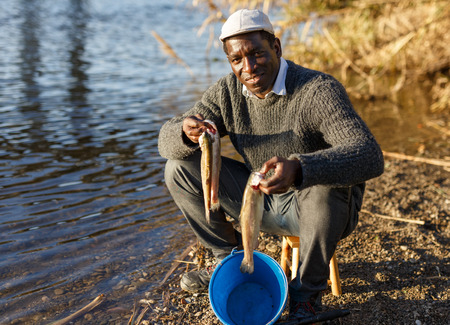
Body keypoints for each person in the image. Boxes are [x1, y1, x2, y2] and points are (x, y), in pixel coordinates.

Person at [158, 8, 384, 321]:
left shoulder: (317, 90)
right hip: (259, 202)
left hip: (320, 211)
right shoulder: (227, 93)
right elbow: (165, 142)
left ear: (276, 47)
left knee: (323, 187)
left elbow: (369, 155)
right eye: (237, 59)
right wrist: (184, 130)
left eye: (256, 54)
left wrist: (300, 169)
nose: (248, 67)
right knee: (178, 168)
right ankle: (228, 261)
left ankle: (306, 298)